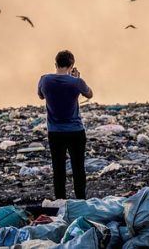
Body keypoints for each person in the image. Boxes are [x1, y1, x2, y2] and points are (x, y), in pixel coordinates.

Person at [37, 49, 93, 200]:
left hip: (55, 132)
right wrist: (76, 79)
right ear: (72, 65)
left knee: (58, 169)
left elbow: (41, 95)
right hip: (75, 131)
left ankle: (60, 201)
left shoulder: (45, 80)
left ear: (55, 63)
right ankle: (81, 200)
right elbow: (89, 94)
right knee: (78, 168)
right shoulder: (77, 82)